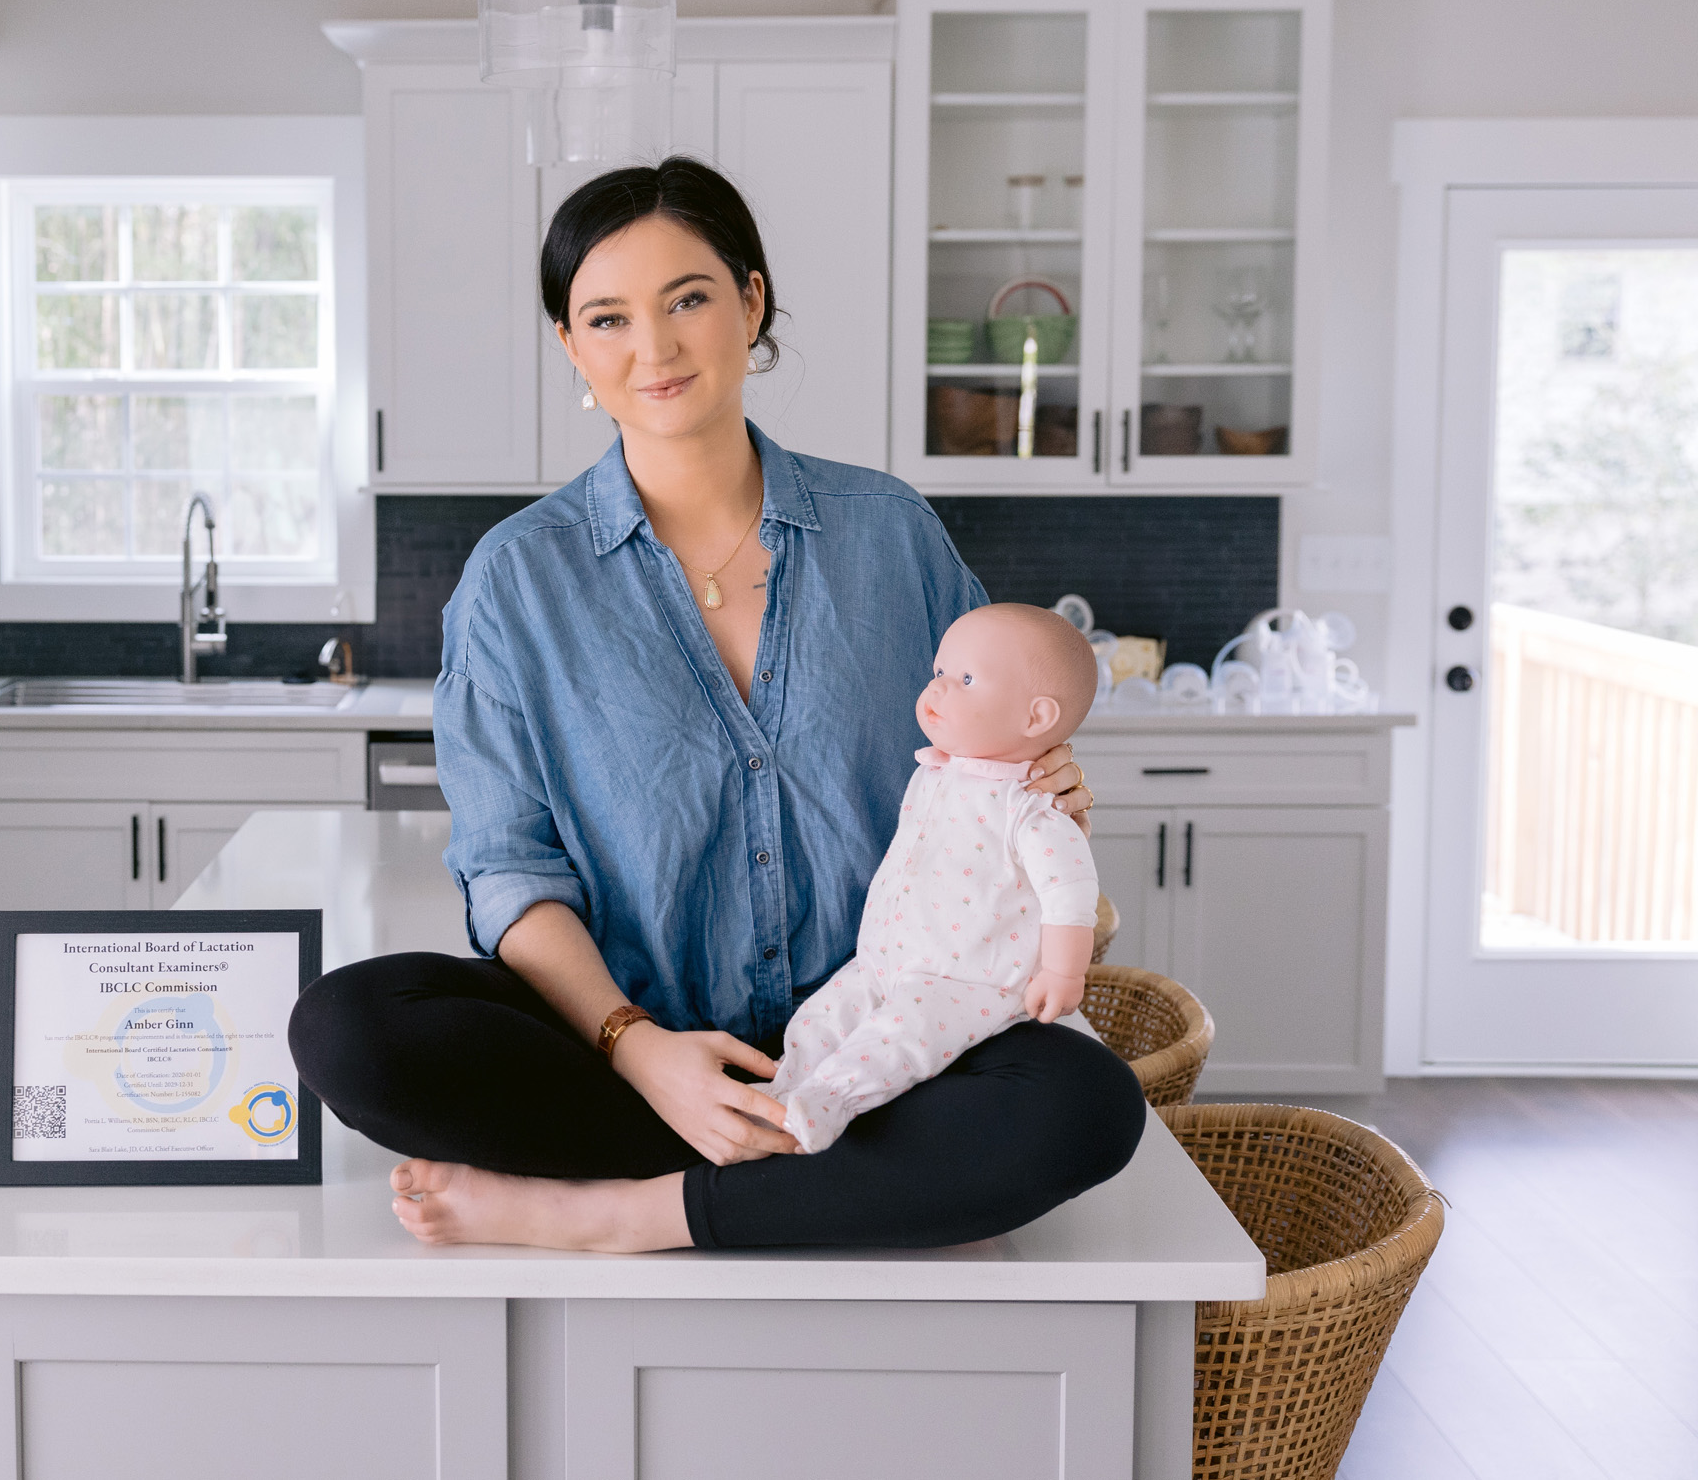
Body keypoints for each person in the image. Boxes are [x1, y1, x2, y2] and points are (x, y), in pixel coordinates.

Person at [288, 157, 1145, 1253]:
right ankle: (810, 1178)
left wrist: (1047, 776)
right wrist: (639, 1047)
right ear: (571, 347)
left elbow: (1001, 738)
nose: (653, 346)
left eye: (688, 298)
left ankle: (624, 1210)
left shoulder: (889, 534)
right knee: (352, 1025)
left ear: (750, 301)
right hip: (631, 1053)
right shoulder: (516, 579)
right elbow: (509, 871)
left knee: (1085, 1101)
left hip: (885, 1044)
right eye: (607, 316)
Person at [763, 603, 1102, 1154]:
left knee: (899, 1040)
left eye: (965, 680)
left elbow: (1071, 893)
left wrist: (1064, 972)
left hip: (964, 977)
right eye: (939, 673)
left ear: (1036, 718)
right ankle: (785, 1088)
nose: (938, 690)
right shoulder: (936, 771)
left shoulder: (1032, 808)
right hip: (886, 957)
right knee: (820, 1018)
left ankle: (832, 1102)